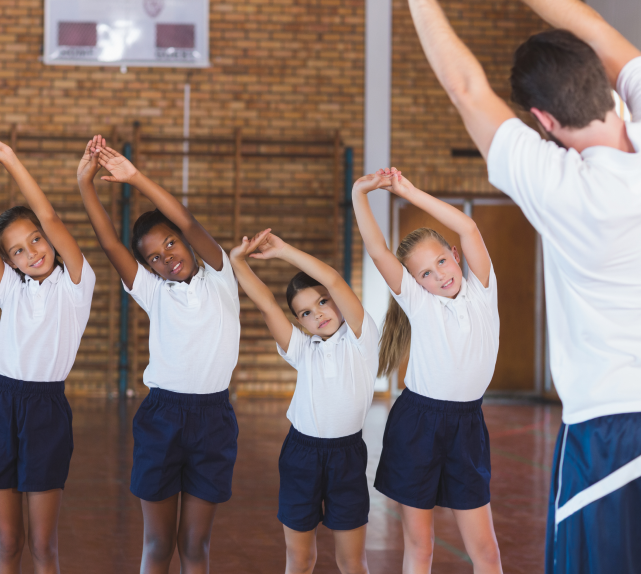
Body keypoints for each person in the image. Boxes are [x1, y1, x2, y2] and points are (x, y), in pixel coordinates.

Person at [405, 0, 641, 570]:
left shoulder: (566, 190)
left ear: (544, 120)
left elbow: (465, 87)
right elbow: (596, 29)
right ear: (610, 89)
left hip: (612, 426)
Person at [77, 135, 239, 574]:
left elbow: (186, 221)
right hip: (162, 417)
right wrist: (84, 185)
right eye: (153, 258)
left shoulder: (221, 275)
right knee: (157, 542)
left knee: (194, 545)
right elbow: (111, 245)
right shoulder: (155, 293)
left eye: (169, 244)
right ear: (147, 269)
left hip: (213, 419)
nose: (166, 258)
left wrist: (136, 178)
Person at [0, 134, 95, 573]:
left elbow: (46, 213)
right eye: (17, 250)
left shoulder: (75, 284)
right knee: (7, 542)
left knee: (43, 546)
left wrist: (8, 157)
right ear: (8, 261)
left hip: (46, 409)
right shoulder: (10, 288)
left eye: (35, 240)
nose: (32, 252)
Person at [353, 168, 502, 574]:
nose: (439, 275)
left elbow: (468, 226)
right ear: (416, 284)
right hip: (418, 424)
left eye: (441, 261)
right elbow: (377, 249)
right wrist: (358, 193)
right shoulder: (421, 304)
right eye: (425, 275)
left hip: (467, 425)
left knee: (485, 550)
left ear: (455, 254)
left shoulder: (482, 290)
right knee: (420, 546)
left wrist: (409, 192)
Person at [229, 228, 377, 574]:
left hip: (347, 457)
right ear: (300, 323)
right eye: (306, 313)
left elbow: (335, 279)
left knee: (352, 560)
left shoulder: (361, 338)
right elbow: (266, 303)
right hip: (301, 454)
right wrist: (238, 262)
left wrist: (282, 250)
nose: (319, 314)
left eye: (323, 301)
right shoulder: (302, 350)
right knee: (300, 559)